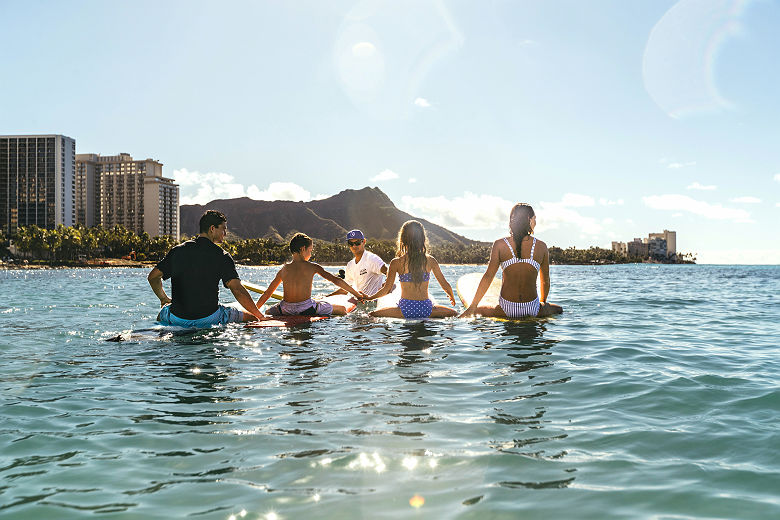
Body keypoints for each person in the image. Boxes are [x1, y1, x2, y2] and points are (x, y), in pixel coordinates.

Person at [148, 210, 264, 327]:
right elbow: (237, 290)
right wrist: (259, 316)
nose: (225, 233)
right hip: (209, 318)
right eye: (223, 229)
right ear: (212, 228)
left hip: (178, 319)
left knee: (163, 313)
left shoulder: (177, 251)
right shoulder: (222, 255)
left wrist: (163, 298)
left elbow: (153, 277)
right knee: (251, 318)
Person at [460, 203, 563, 318]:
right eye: (534, 219)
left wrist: (473, 306)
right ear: (529, 220)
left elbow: (488, 276)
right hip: (533, 309)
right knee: (559, 309)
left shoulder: (500, 244)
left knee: (477, 311)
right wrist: (542, 305)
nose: (535, 222)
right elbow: (545, 281)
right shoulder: (541, 246)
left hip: (505, 309)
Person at [257, 233, 365, 316]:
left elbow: (267, 293)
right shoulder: (312, 267)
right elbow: (336, 280)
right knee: (341, 309)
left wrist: (255, 310)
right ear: (303, 249)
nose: (311, 253)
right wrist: (357, 295)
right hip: (306, 309)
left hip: (285, 310)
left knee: (267, 311)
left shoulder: (284, 269)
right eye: (310, 250)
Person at [365, 220, 457, 319]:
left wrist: (370, 298)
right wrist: (451, 296)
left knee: (371, 315)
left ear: (403, 240)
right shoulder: (430, 260)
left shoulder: (396, 262)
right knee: (455, 313)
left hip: (405, 310)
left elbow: (386, 290)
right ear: (422, 239)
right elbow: (445, 285)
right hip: (426, 309)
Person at [328, 229, 388, 297]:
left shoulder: (371, 259)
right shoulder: (350, 265)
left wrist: (385, 288)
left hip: (373, 303)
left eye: (357, 243)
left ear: (364, 242)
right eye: (351, 243)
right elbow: (346, 289)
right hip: (359, 303)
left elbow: (389, 272)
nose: (354, 246)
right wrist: (328, 296)